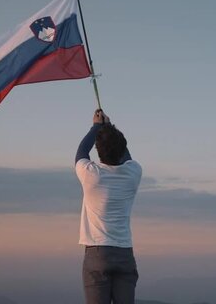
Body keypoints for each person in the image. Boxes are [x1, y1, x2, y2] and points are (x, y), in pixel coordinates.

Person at [74, 109, 142, 304]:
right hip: (124, 253)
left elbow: (81, 153)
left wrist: (97, 127)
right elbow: (125, 155)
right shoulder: (133, 173)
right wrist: (109, 127)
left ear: (99, 151)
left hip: (97, 253)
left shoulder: (91, 175)